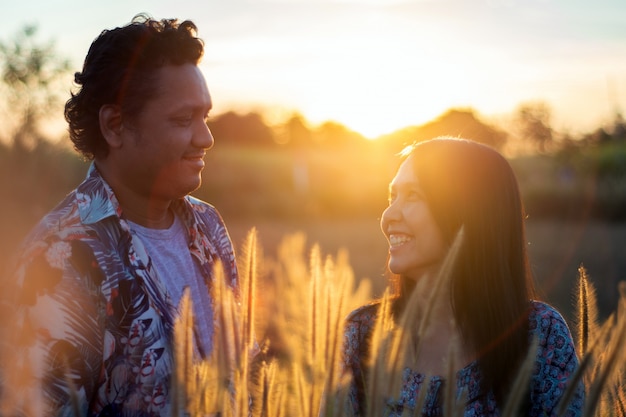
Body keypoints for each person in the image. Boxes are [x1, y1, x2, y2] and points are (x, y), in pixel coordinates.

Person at [0, 15, 238, 417]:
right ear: (115, 125)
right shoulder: (59, 257)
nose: (206, 138)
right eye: (183, 120)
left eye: (206, 117)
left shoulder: (209, 228)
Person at [342, 137, 584, 416]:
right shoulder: (362, 335)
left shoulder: (540, 336)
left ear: (467, 211)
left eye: (412, 196)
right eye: (391, 197)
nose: (388, 216)